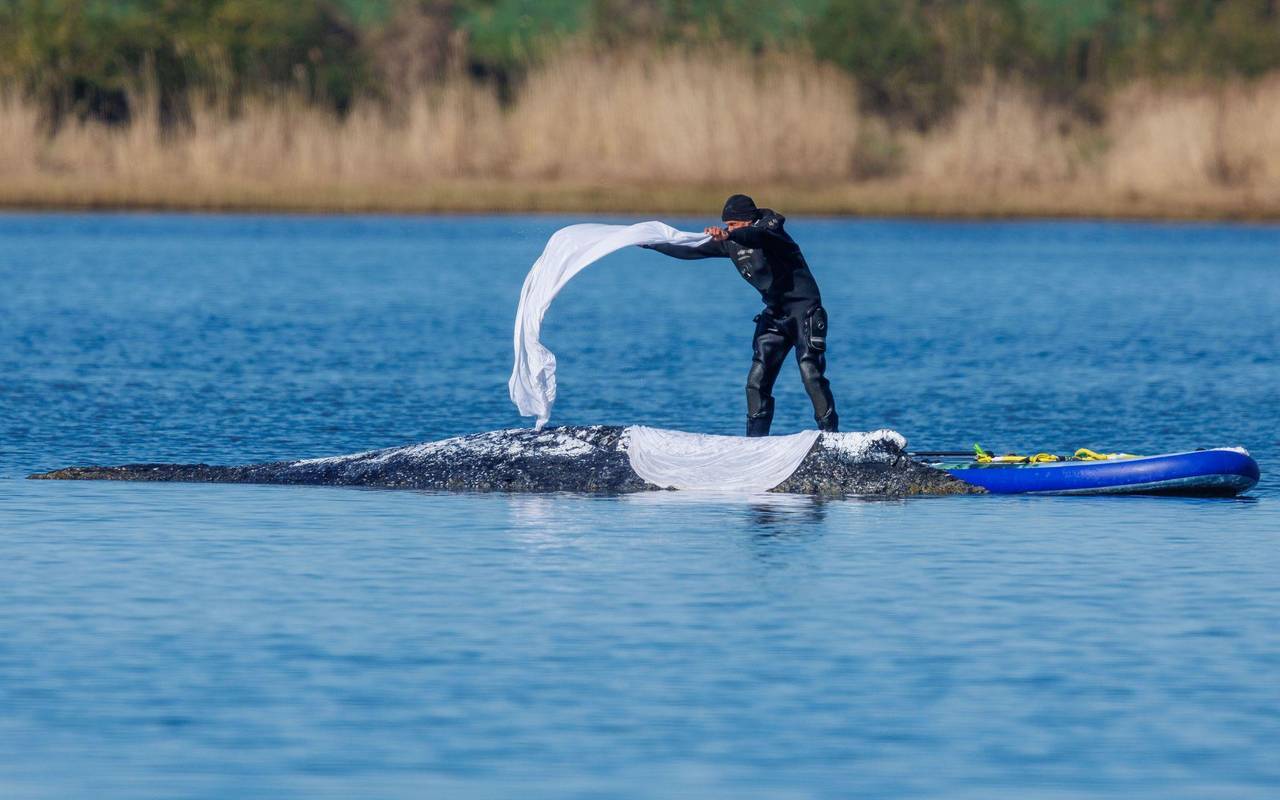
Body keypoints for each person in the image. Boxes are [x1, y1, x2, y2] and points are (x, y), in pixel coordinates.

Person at [643, 194, 838, 436]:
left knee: (811, 373)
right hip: (775, 315)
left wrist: (730, 234)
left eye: (733, 224)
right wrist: (648, 243)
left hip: (804, 312)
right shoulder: (731, 240)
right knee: (756, 382)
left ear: (748, 221)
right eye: (727, 225)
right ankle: (754, 443)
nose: (728, 228)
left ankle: (831, 436)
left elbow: (756, 237)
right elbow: (689, 251)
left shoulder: (771, 230)